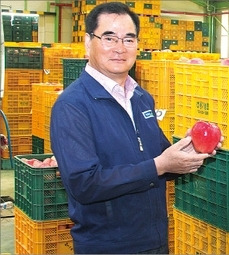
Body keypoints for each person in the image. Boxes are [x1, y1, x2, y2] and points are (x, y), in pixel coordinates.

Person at [49, 2, 218, 253]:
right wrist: (159, 165)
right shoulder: (72, 106)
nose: (120, 48)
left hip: (154, 240)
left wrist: (188, 151)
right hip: (107, 245)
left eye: (129, 39)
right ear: (88, 43)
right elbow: (84, 184)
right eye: (109, 38)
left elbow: (159, 161)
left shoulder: (141, 98)